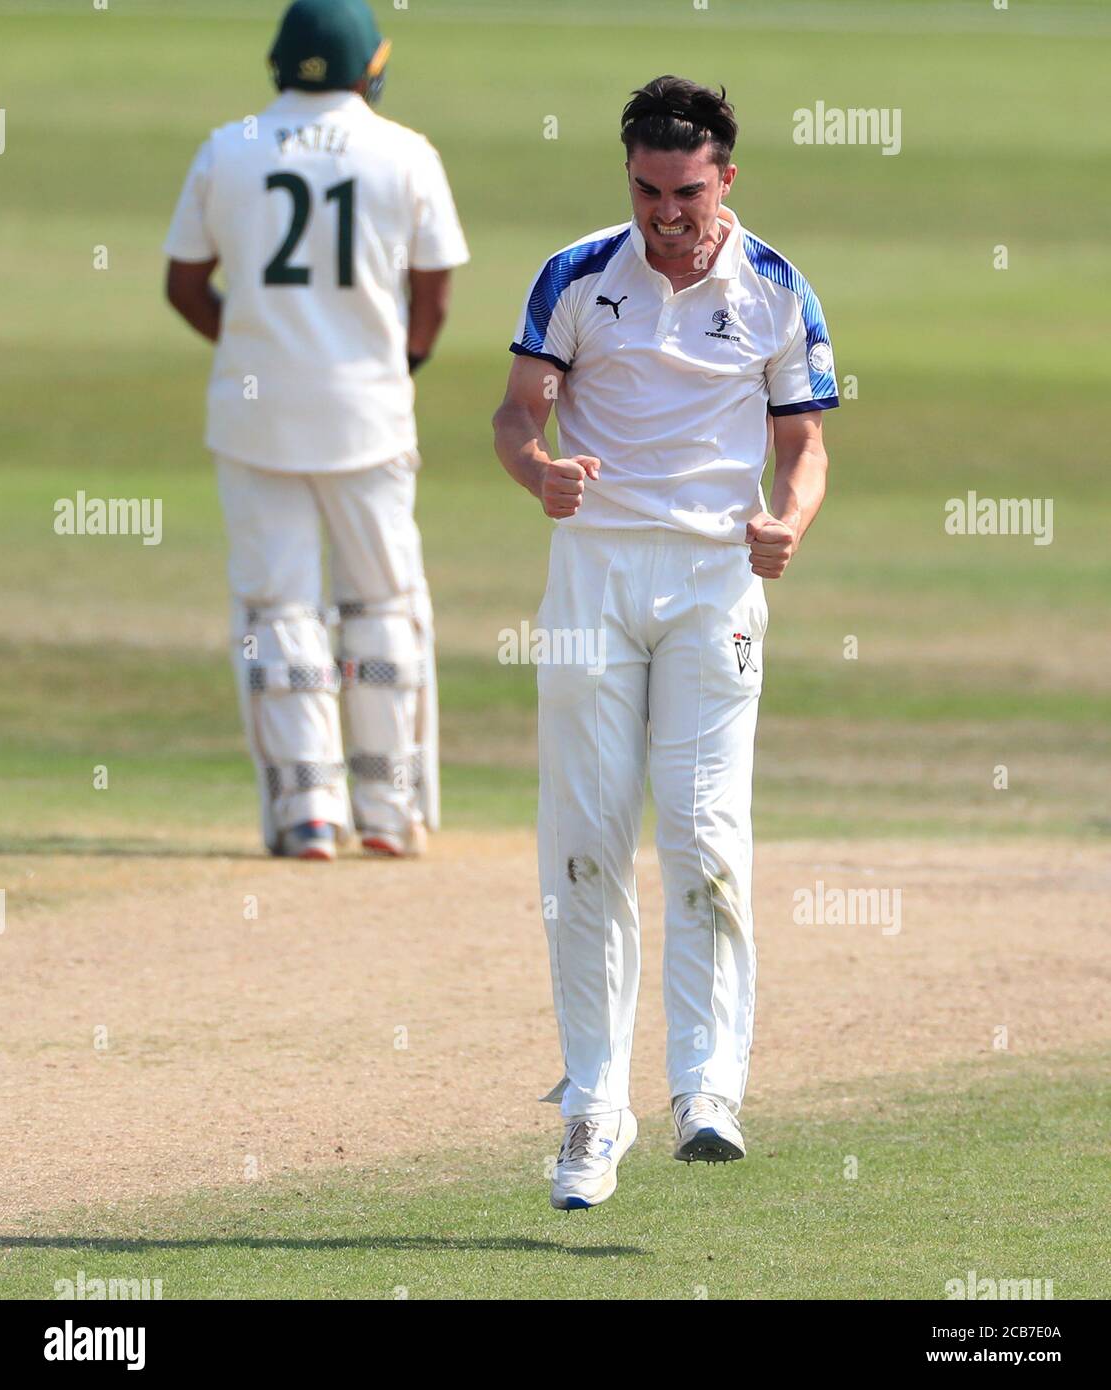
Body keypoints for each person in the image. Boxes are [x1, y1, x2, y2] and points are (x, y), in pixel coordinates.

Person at [493, 76, 837, 1208]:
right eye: (646, 190)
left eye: (686, 191)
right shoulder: (578, 274)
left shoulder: (778, 288)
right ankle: (595, 1108)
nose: (665, 214)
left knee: (702, 830)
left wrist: (787, 522)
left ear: (724, 178)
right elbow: (515, 410)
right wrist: (537, 468)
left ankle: (708, 1087)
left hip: (712, 580)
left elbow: (803, 447)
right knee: (585, 841)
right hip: (592, 571)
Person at [164, 0, 468, 860]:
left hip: (255, 413)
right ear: (370, 65)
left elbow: (186, 286)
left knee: (278, 608)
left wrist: (261, 347)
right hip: (367, 411)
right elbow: (435, 289)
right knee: (381, 604)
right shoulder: (405, 153)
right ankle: (387, 808)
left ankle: (308, 815)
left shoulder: (227, 149)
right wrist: (398, 360)